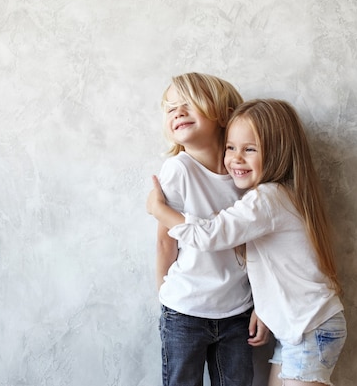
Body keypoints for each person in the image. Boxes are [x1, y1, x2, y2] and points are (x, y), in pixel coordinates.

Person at [147, 99, 346, 386]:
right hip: (303, 326)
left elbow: (211, 235)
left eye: (249, 149)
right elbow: (274, 268)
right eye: (231, 147)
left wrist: (159, 210)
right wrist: (263, 310)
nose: (236, 158)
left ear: (277, 152)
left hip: (309, 328)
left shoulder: (267, 199)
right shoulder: (282, 195)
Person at [153, 73, 270, 386]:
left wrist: (262, 305)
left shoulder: (244, 172)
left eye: (188, 104)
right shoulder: (178, 171)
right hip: (185, 310)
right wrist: (164, 296)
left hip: (237, 313)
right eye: (170, 108)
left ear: (222, 113)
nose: (177, 112)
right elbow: (166, 242)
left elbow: (259, 248)